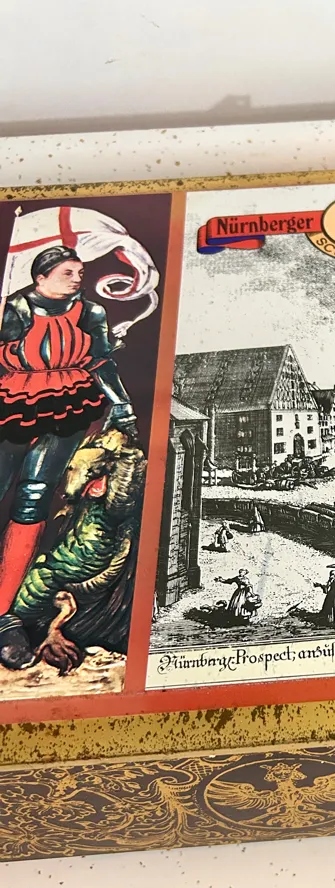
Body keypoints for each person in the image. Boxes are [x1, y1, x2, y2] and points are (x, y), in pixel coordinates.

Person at [0, 245, 138, 668]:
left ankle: (4, 614)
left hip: (67, 406)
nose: (78, 278)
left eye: (80, 272)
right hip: (9, 403)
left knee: (33, 498)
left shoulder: (90, 312)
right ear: (40, 277)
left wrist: (121, 403)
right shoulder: (14, 308)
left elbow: (101, 360)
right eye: (67, 272)